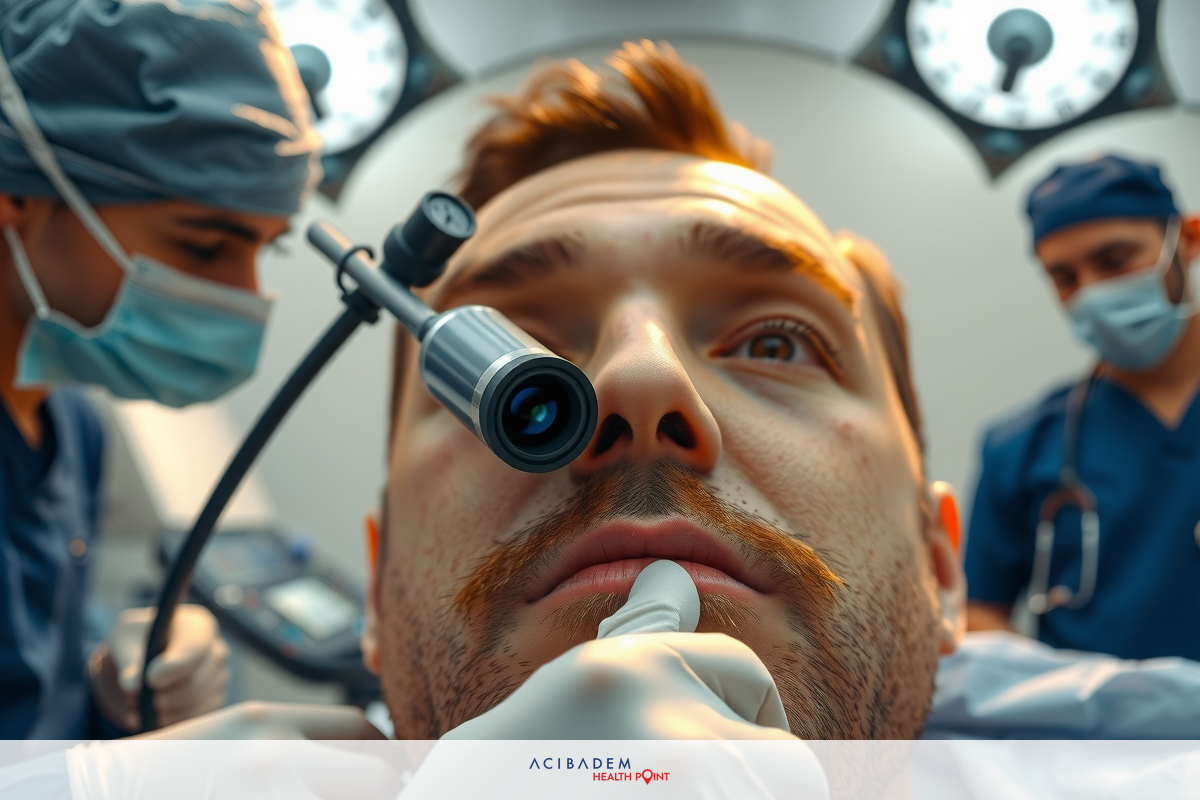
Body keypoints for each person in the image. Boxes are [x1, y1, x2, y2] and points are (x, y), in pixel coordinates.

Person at [0, 0, 321, 737]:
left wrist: (109, 687)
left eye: (266, 251)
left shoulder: (70, 428)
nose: (249, 300)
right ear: (19, 192)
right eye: (206, 246)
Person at [964, 155, 1200, 659]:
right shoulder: (1021, 446)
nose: (1091, 292)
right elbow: (980, 611)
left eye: (1115, 261)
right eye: (1065, 276)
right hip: (1096, 737)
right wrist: (1063, 697)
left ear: (1189, 240)